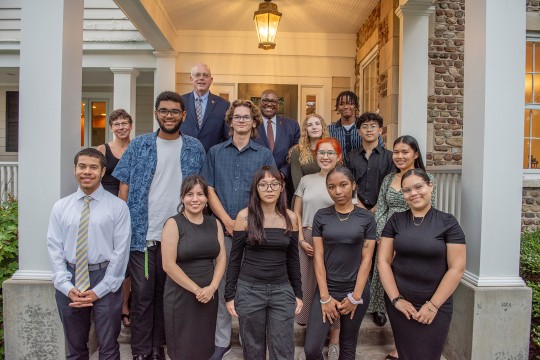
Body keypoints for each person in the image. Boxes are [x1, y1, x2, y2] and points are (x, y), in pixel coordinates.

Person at [113, 91, 206, 360]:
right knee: (143, 297)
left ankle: (161, 348)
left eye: (175, 111)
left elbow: (201, 190)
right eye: (164, 111)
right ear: (156, 114)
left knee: (170, 298)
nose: (169, 116)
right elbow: (124, 188)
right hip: (144, 236)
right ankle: (142, 352)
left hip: (180, 236)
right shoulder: (139, 145)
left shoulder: (194, 147)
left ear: (184, 115)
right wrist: (124, 226)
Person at [202, 99, 276, 359]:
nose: (242, 120)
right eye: (237, 117)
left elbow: (270, 191)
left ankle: (251, 343)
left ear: (254, 122)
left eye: (247, 117)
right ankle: (222, 341)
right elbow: (208, 189)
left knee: (250, 290)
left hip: (254, 232)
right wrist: (227, 221)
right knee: (223, 287)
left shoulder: (264, 155)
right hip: (221, 232)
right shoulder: (215, 152)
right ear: (230, 121)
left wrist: (243, 223)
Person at [47, 148, 131, 359]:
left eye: (93, 167)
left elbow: (121, 252)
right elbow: (54, 248)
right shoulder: (60, 207)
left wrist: (101, 289)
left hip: (105, 278)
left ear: (103, 172)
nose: (87, 172)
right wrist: (66, 286)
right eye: (82, 166)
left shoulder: (118, 207)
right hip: (71, 279)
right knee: (75, 349)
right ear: (75, 169)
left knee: (109, 347)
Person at [378, 168, 466, 360]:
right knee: (406, 352)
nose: (413, 193)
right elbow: (383, 262)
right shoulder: (395, 221)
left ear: (430, 186)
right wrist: (396, 299)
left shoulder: (448, 222)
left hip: (436, 304)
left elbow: (456, 268)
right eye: (407, 190)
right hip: (400, 303)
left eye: (418, 187)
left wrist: (433, 305)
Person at [368, 135, 436, 360]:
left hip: (409, 241)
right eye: (396, 152)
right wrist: (378, 237)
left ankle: (408, 346)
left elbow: (426, 213)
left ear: (415, 154)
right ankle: (400, 345)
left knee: (408, 292)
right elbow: (381, 208)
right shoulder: (389, 179)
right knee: (391, 295)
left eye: (405, 151)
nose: (399, 156)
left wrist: (402, 242)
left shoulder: (425, 179)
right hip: (385, 240)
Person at [225, 166, 302, 360]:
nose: (269, 189)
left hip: (281, 291)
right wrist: (229, 294)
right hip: (249, 290)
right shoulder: (244, 217)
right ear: (256, 188)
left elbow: (293, 259)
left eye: (274, 184)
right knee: (253, 349)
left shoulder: (291, 217)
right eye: (264, 184)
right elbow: (234, 259)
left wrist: (298, 293)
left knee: (283, 349)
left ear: (282, 187)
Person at [304, 166, 376, 360]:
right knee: (311, 349)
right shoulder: (321, 215)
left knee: (347, 346)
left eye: (343, 185)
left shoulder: (367, 217)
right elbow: (318, 257)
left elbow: (367, 259)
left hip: (356, 290)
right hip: (328, 289)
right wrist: (325, 297)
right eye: (332, 187)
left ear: (353, 185)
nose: (338, 191)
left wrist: (355, 297)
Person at [161, 175, 226, 360]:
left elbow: (221, 259)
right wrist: (198, 290)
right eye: (190, 194)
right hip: (181, 296)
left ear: (207, 199)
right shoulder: (173, 223)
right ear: (182, 198)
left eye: (200, 194)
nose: (195, 199)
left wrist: (212, 288)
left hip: (209, 296)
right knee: (182, 349)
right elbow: (168, 265)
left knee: (204, 347)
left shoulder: (215, 224)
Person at [293, 137, 343, 360]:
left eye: (330, 153)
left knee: (332, 287)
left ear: (338, 157)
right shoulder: (306, 179)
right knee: (307, 285)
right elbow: (295, 214)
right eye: (321, 152)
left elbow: (352, 210)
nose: (325, 157)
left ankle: (334, 340)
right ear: (316, 156)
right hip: (307, 237)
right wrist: (300, 240)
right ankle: (310, 335)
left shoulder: (343, 179)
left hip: (334, 240)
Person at [97, 108, 133, 328]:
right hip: (105, 206)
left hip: (129, 206)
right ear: (111, 127)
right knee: (107, 254)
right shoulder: (103, 149)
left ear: (131, 125)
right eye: (117, 124)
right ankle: (104, 299)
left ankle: (125, 305)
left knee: (126, 257)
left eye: (125, 123)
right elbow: (94, 176)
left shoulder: (135, 147)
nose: (121, 127)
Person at [253, 89, 300, 204]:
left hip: (284, 184)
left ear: (278, 105)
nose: (269, 104)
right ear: (259, 103)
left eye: (273, 101)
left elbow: (298, 154)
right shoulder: (252, 125)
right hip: (256, 182)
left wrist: (282, 173)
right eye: (266, 100)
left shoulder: (292, 125)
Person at [344, 112, 396, 213]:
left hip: (383, 211)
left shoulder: (390, 157)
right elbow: (347, 184)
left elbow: (391, 185)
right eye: (365, 127)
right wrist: (360, 207)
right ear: (359, 132)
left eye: (373, 126)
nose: (369, 130)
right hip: (355, 211)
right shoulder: (350, 157)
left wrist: (376, 209)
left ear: (380, 130)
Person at [181, 63, 230, 153]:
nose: (201, 78)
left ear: (211, 80)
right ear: (191, 79)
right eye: (197, 75)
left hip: (213, 160)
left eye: (205, 75)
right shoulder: (180, 102)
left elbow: (227, 137)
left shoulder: (223, 105)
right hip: (184, 159)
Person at [328, 91, 383, 156]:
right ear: (337, 107)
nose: (345, 107)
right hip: (338, 166)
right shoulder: (329, 130)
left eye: (349, 103)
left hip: (364, 165)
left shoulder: (366, 128)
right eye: (341, 104)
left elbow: (380, 150)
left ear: (356, 106)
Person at [288, 113, 329, 191]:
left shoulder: (331, 149)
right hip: (305, 196)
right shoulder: (297, 151)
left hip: (329, 196)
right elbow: (298, 184)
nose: (314, 127)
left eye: (317, 124)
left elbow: (337, 176)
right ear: (305, 129)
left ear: (322, 127)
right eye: (310, 125)